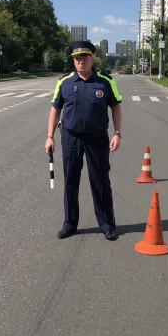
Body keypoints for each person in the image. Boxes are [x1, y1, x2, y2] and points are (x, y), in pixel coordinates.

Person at [45, 40, 123, 241]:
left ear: (91, 58)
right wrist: (49, 137)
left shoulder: (105, 81)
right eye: (77, 58)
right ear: (73, 61)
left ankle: (107, 225)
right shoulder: (64, 82)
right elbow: (55, 109)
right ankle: (70, 224)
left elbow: (116, 107)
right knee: (70, 182)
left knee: (100, 182)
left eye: (85, 57)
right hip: (71, 138)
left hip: (97, 139)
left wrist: (117, 133)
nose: (81, 61)